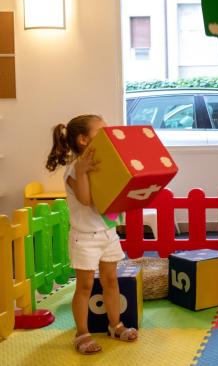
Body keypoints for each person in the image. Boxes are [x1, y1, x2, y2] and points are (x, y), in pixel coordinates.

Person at [46, 114, 138, 354]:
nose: (107, 136)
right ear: (84, 139)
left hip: (107, 233)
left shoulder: (102, 165)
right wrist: (83, 171)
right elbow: (86, 200)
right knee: (85, 286)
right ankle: (82, 333)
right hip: (85, 237)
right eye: (101, 132)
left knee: (111, 281)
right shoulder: (73, 170)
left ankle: (115, 325)